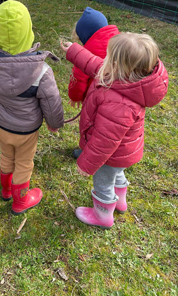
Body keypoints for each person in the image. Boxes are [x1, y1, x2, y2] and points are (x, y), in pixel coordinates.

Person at [61, 33, 168, 229]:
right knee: (117, 173)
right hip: (123, 153)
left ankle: (102, 215)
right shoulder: (128, 79)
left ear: (118, 66)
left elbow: (104, 141)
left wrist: (86, 164)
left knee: (103, 180)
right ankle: (120, 201)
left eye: (109, 57)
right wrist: (74, 51)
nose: (104, 61)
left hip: (110, 155)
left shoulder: (119, 103)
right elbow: (95, 65)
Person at [0, 0, 64, 215]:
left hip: (0, 124)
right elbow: (52, 103)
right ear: (28, 30)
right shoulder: (41, 71)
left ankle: (6, 190)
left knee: (7, 156)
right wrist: (55, 124)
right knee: (23, 163)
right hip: (25, 131)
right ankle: (21, 200)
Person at [67, 7, 120, 159]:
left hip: (96, 100)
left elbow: (78, 79)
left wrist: (75, 97)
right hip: (121, 98)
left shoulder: (86, 54)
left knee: (92, 125)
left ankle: (87, 152)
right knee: (113, 127)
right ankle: (113, 151)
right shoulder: (120, 44)